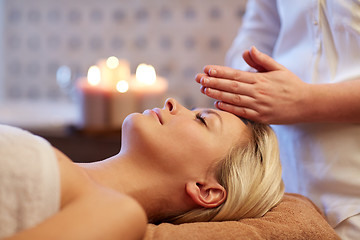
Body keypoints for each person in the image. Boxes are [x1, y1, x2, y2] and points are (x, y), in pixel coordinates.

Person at [0, 98, 284, 240]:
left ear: (206, 189)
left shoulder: (118, 213)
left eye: (202, 120)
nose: (172, 102)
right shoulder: (60, 163)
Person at [195, 0, 360, 239]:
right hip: (288, 179)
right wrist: (250, 83)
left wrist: (305, 100)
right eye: (200, 120)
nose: (171, 106)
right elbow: (258, 30)